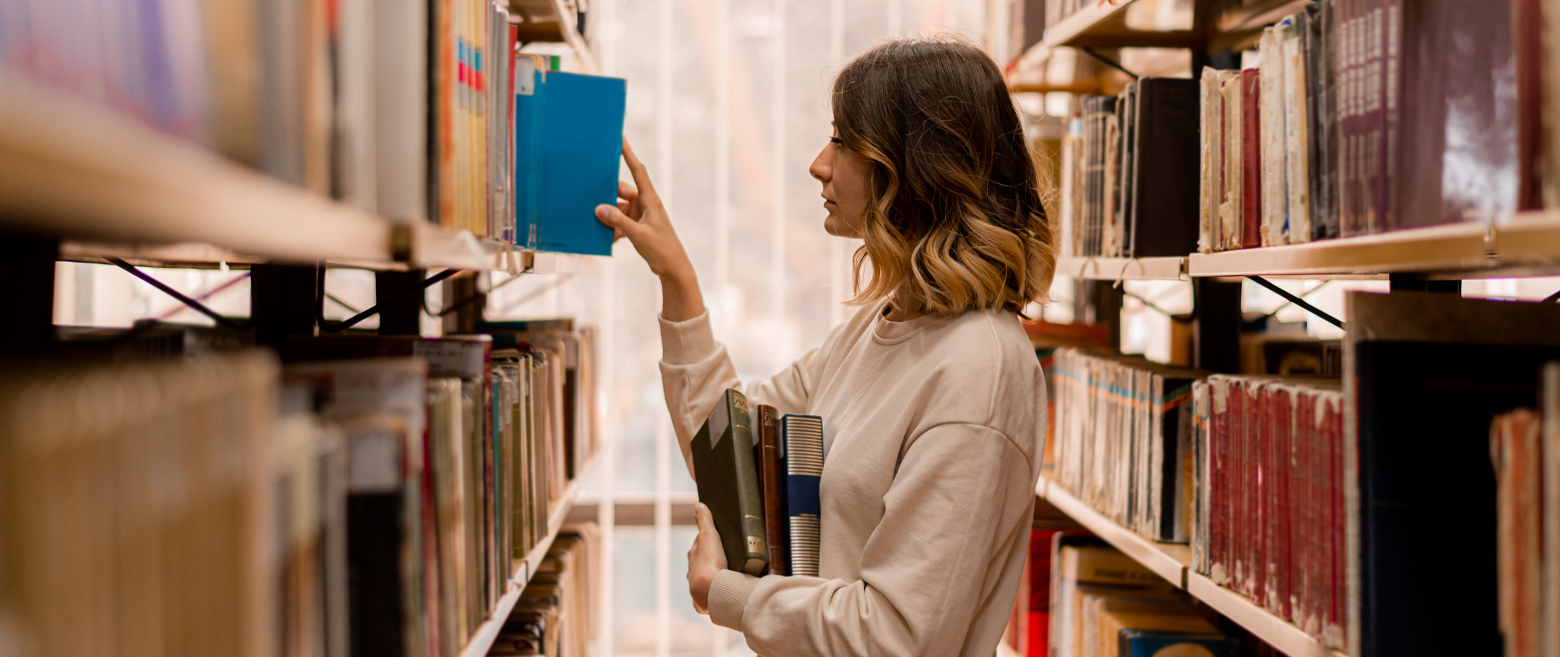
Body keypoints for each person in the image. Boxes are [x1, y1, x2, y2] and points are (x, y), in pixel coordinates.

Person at [594, 37, 1055, 656]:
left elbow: (897, 637)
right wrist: (677, 280)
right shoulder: (881, 327)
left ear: (911, 167)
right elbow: (732, 444)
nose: (818, 164)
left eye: (843, 141)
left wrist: (726, 592)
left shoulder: (979, 369)